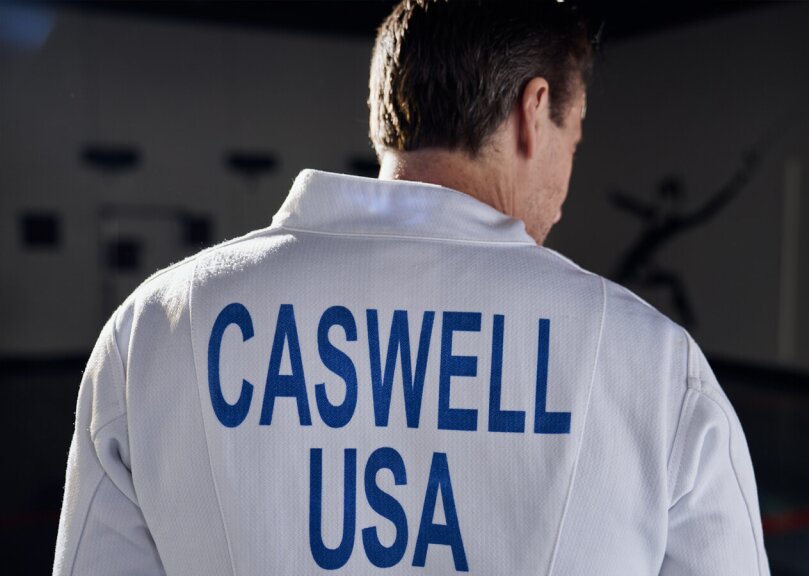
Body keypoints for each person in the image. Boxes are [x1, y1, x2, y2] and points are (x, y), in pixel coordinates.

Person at [53, 1, 769, 574]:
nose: (564, 193)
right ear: (533, 109)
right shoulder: (655, 366)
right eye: (572, 139)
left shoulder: (154, 328)